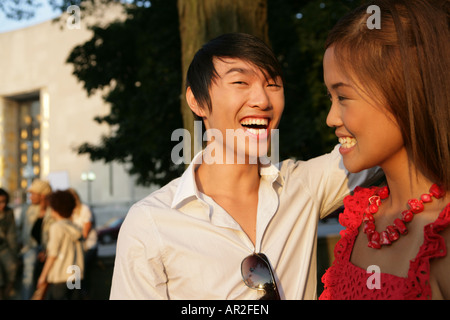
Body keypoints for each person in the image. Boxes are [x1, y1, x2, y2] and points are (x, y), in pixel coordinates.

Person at [110, 32, 382, 300]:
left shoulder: (302, 186)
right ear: (197, 101)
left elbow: (382, 138)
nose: (262, 101)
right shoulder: (150, 223)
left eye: (273, 85)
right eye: (240, 82)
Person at [320, 0, 449, 300]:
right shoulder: (360, 220)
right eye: (330, 97)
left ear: (404, 92)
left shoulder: (443, 239)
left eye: (343, 96)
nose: (330, 118)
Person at [37, 190, 84, 300]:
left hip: (60, 276)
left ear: (54, 208)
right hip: (76, 275)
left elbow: (53, 254)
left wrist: (42, 277)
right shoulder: (75, 227)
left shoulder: (57, 227)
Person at [18, 179, 52, 300]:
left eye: (33, 193)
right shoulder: (27, 210)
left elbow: (55, 237)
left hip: (49, 250)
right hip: (30, 248)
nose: (30, 196)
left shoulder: (53, 211)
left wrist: (47, 252)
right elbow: (19, 229)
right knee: (30, 262)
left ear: (42, 195)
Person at [69, 188, 98, 299]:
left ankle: (84, 295)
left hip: (88, 247)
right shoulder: (70, 212)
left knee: (79, 269)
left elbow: (84, 234)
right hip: (76, 249)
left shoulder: (85, 209)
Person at [0, 188, 19, 299]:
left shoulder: (8, 212)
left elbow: (11, 234)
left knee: (12, 267)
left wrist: (15, 254)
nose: (2, 205)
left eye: (4, 201)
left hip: (4, 247)